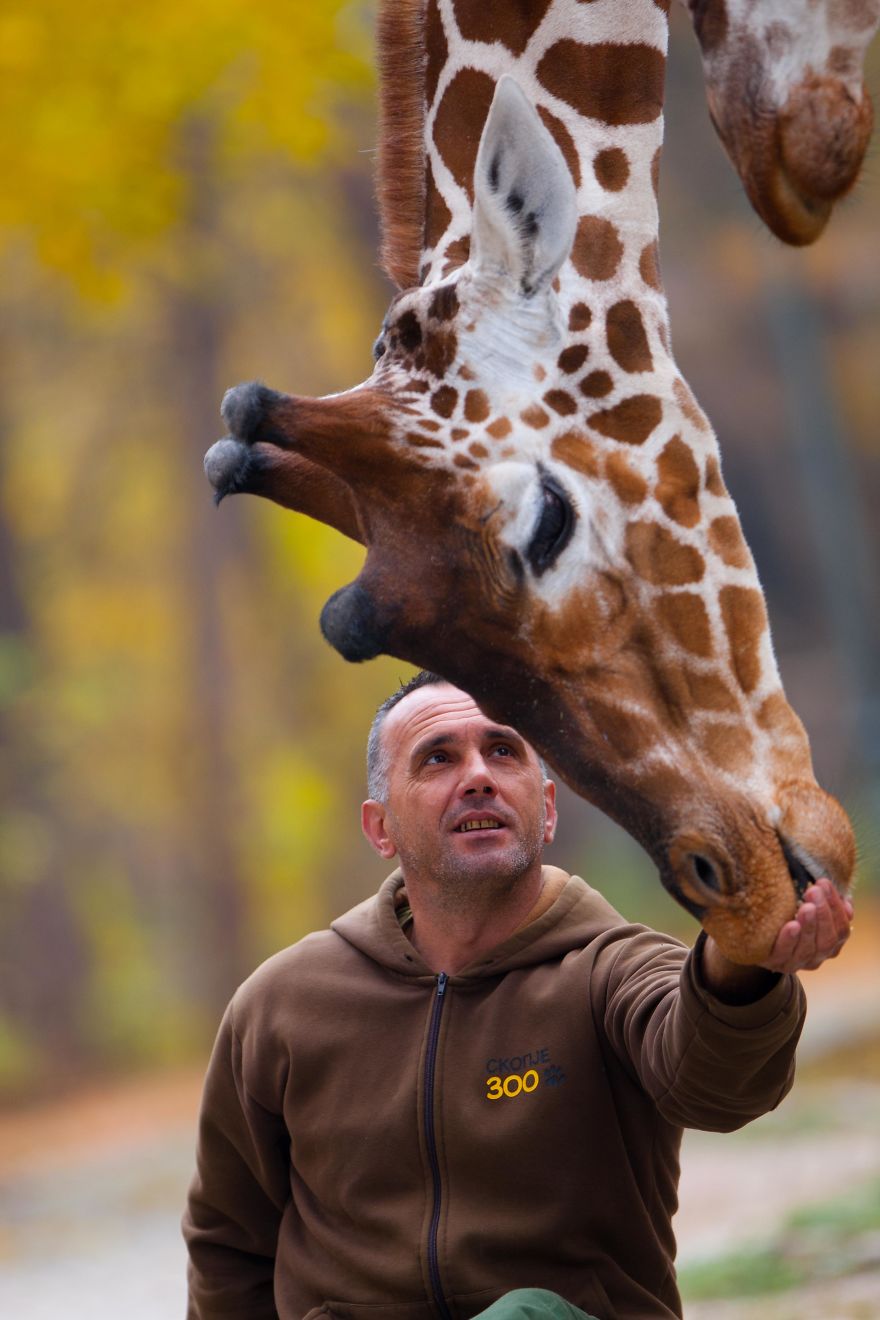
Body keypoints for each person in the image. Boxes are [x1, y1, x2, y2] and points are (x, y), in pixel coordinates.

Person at [182, 671, 853, 1320]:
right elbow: (228, 1246)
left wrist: (739, 952)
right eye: (437, 759)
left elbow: (717, 1083)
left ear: (548, 807)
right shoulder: (282, 1006)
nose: (477, 775)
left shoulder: (611, 971)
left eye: (502, 750)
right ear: (380, 828)